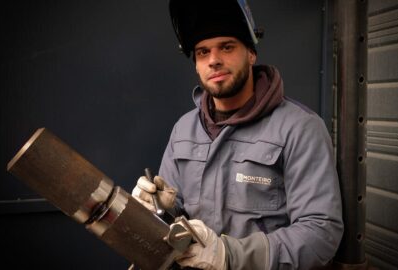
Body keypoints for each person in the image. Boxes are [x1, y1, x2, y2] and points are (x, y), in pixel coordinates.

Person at [132, 0, 344, 269]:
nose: (214, 60)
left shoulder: (299, 128)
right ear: (196, 64)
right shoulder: (184, 130)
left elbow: (321, 233)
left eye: (227, 47)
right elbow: (178, 225)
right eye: (202, 52)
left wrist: (229, 256)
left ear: (251, 53)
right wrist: (162, 210)